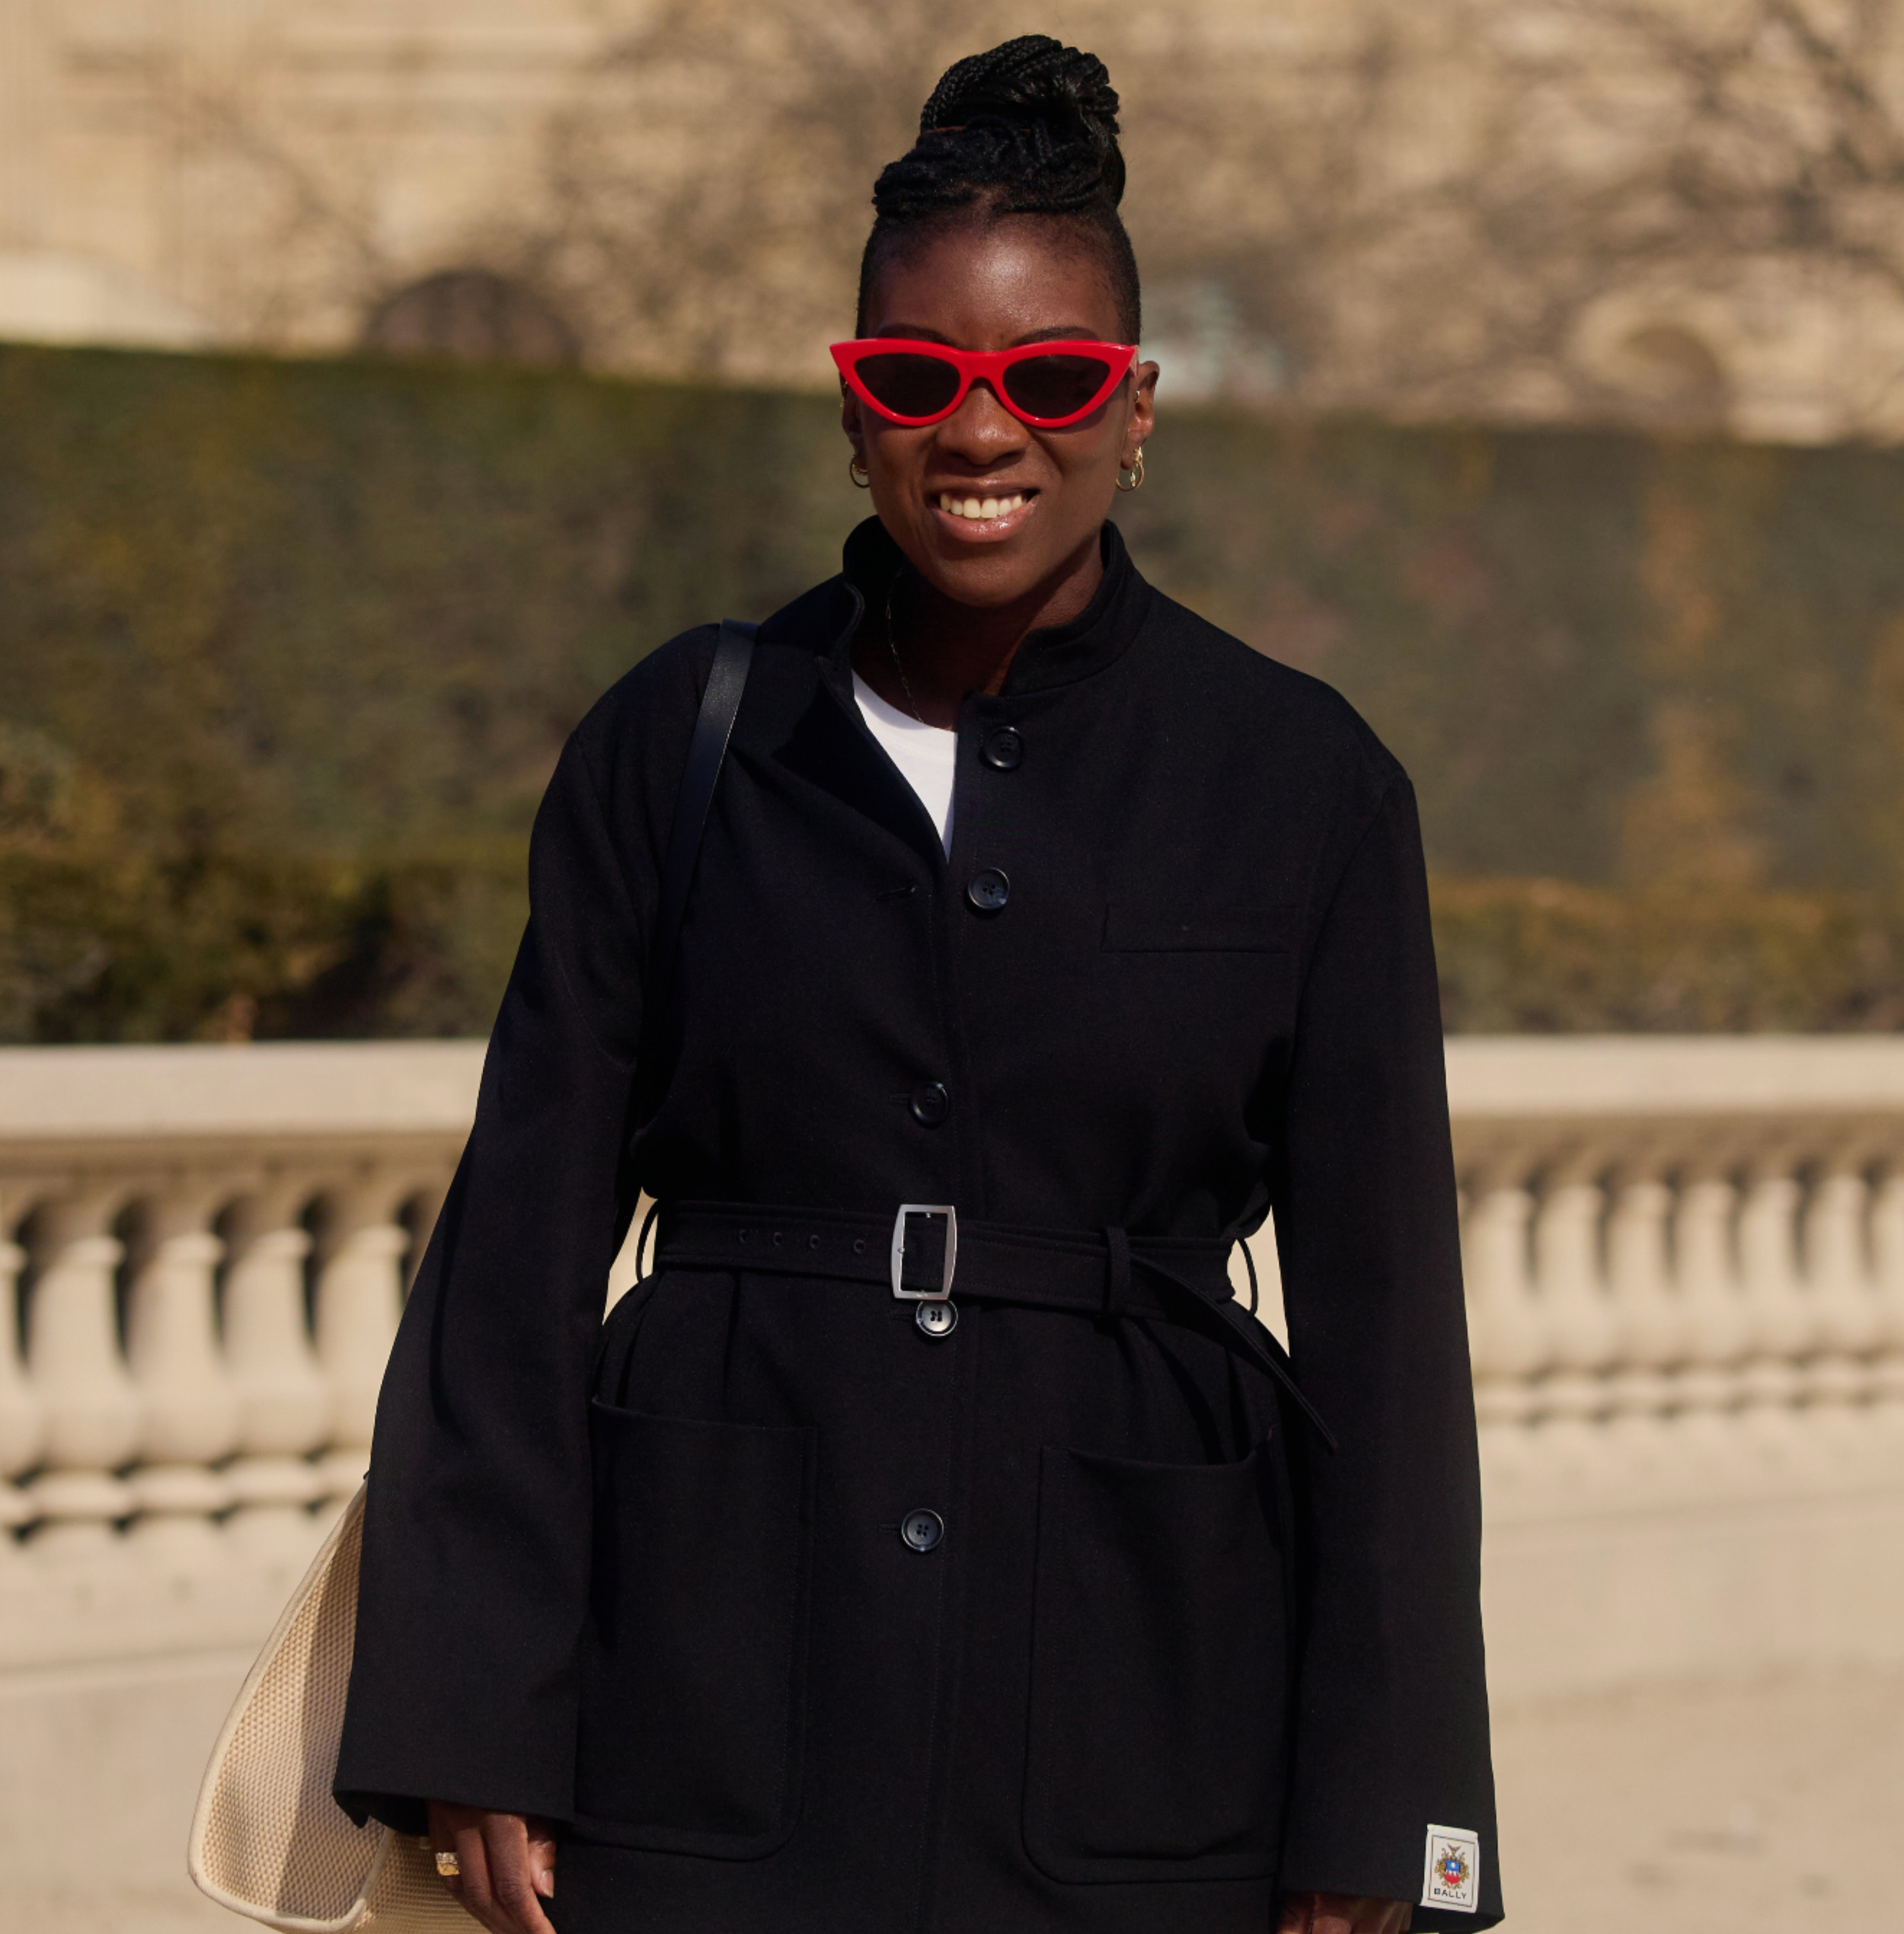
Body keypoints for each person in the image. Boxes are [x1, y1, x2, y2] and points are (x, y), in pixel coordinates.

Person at [334, 34, 1499, 1934]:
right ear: (851, 405)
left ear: (1134, 411)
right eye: (917, 377)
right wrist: (477, 1715)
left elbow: (1388, 1338)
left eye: (1046, 379)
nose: (981, 432)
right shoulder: (676, 742)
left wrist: (1396, 1819)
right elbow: (515, 1257)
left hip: (1148, 1724)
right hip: (700, 1711)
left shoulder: (1306, 785)